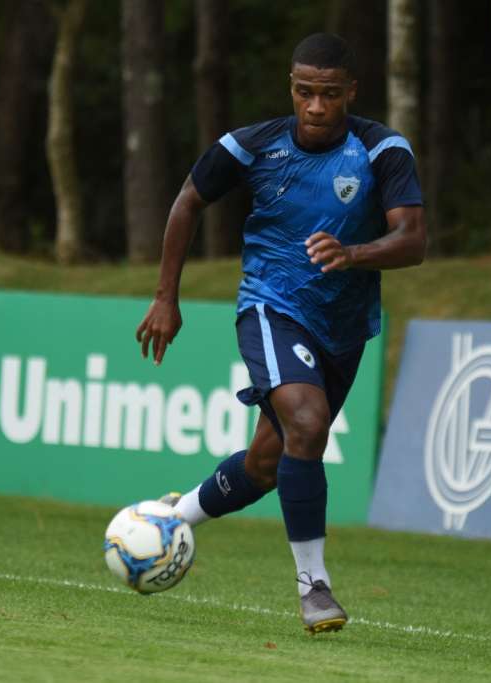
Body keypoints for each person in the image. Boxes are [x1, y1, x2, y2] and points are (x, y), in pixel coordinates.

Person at [135, 32, 425, 634]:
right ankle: (313, 586)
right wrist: (166, 297)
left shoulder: (382, 150)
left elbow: (412, 240)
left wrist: (353, 253)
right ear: (291, 88)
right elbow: (188, 200)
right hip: (272, 305)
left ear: (350, 92)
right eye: (304, 92)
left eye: (329, 94)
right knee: (308, 424)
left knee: (266, 464)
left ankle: (173, 518)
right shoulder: (251, 146)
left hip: (343, 326)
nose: (315, 106)